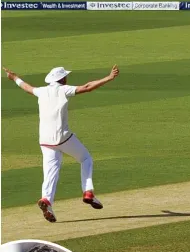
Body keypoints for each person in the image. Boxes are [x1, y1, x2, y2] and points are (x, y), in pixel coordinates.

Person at [2, 65, 120, 222]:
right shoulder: (64, 90)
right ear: (62, 79)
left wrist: (14, 77)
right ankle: (88, 192)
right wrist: (108, 78)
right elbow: (87, 87)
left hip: (45, 141)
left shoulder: (41, 91)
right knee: (85, 158)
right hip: (63, 138)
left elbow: (27, 88)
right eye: (65, 76)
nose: (67, 78)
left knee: (51, 173)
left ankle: (46, 200)